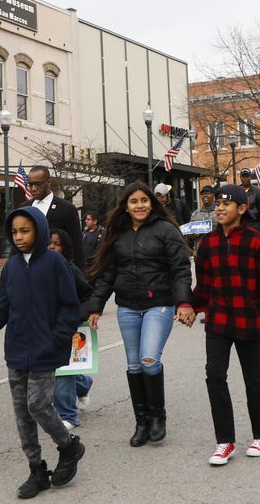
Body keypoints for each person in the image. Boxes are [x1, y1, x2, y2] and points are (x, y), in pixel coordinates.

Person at [0, 208, 85, 499]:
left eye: (25, 230)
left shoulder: (55, 263)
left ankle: (69, 445)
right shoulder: (11, 267)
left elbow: (69, 306)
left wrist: (57, 338)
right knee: (22, 416)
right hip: (16, 352)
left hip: (45, 351)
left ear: (38, 230)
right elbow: (1, 311)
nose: (19, 237)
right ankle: (36, 470)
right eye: (14, 232)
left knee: (38, 406)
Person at [88, 182, 193, 447]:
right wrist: (96, 306)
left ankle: (158, 417)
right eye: (134, 201)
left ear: (153, 202)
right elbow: (108, 273)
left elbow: (180, 268)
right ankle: (142, 421)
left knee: (148, 360)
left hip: (159, 304)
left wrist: (183, 303)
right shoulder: (118, 234)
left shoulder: (166, 230)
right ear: (126, 205)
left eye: (144, 200)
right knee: (133, 364)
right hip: (127, 307)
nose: (139, 205)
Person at [187, 183, 260, 465]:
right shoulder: (209, 244)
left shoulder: (254, 240)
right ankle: (225, 442)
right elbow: (203, 285)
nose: (220, 208)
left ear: (241, 208)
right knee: (215, 377)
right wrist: (190, 305)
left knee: (253, 380)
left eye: (227, 204)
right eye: (217, 204)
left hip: (249, 323)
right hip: (218, 322)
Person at [48, 229, 94, 431]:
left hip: (69, 327)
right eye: (48, 243)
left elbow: (87, 297)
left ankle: (68, 415)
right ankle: (84, 383)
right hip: (47, 327)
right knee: (57, 369)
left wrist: (77, 317)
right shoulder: (39, 268)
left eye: (56, 244)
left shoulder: (71, 270)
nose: (51, 247)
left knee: (63, 370)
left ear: (65, 248)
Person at [22, 166, 85, 273]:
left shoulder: (66, 209)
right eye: (30, 184)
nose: (33, 188)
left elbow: (76, 247)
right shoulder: (23, 209)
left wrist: (80, 278)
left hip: (57, 271)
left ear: (49, 182)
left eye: (38, 184)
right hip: (28, 272)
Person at [238, 168, 260, 235]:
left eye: (247, 176)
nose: (245, 178)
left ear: (250, 177)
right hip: (240, 225)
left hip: (254, 224)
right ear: (240, 177)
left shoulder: (258, 191)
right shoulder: (236, 191)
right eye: (244, 176)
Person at [80, 212, 101, 278]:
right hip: (84, 264)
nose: (86, 221)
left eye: (88, 219)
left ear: (95, 221)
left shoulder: (100, 234)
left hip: (94, 265)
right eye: (86, 219)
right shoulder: (84, 233)